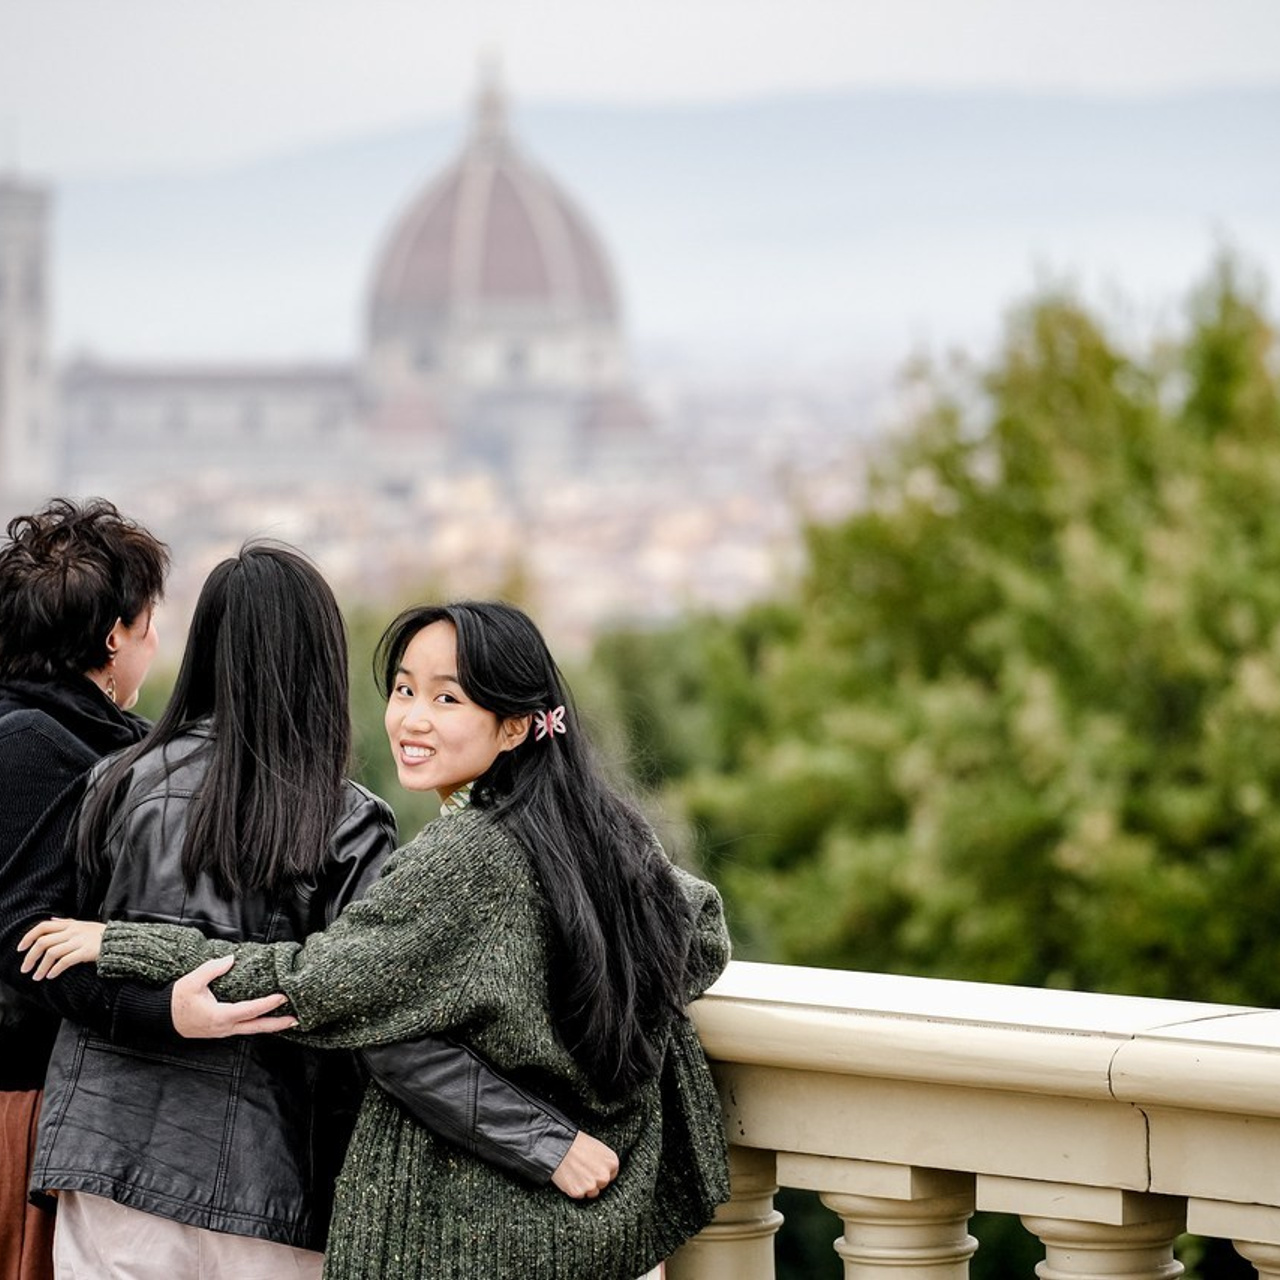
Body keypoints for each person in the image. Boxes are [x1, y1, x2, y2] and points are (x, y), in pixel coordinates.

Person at [23, 600, 732, 1279]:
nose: (411, 719)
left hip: (496, 1230)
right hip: (605, 1220)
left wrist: (127, 945)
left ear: (516, 727)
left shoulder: (464, 856)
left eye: (446, 698)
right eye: (403, 689)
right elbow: (703, 935)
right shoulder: (603, 831)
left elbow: (314, 985)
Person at [0, 497, 169, 1280]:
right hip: (22, 1102)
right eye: (149, 624)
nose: (155, 643)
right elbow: (23, 939)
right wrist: (167, 1008)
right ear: (114, 637)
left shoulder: (59, 734)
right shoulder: (38, 747)